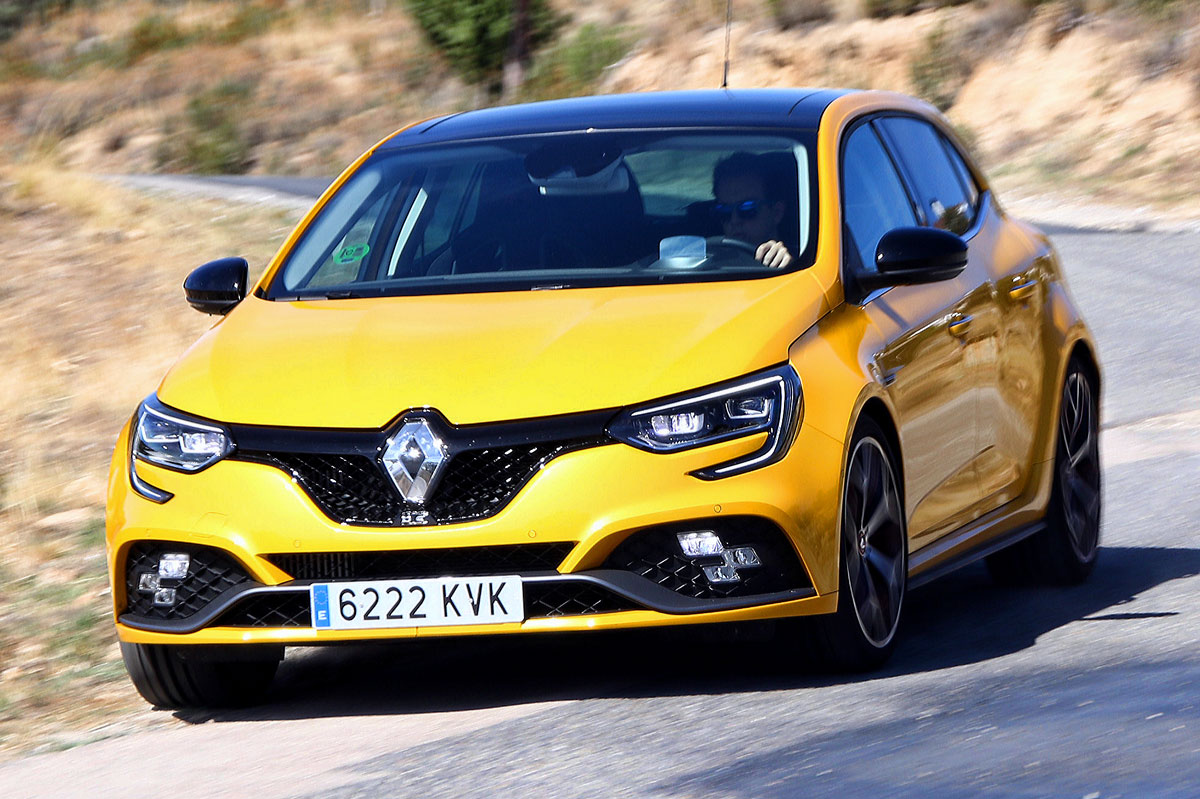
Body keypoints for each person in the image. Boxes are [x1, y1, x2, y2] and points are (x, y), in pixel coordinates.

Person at [711, 152, 793, 269]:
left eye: (747, 208)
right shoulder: (706, 263)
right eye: (724, 211)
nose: (734, 220)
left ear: (776, 212)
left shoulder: (807, 264)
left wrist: (787, 267)